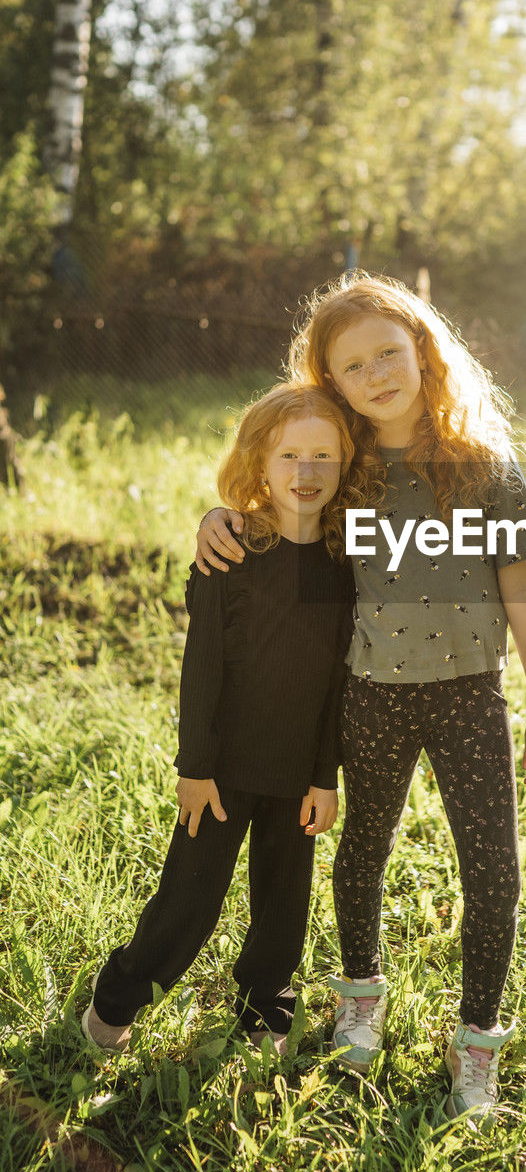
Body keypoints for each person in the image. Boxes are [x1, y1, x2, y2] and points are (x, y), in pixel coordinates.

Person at [196, 272, 526, 1122]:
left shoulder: (481, 465)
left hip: (471, 694)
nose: (377, 374)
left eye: (389, 352)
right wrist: (217, 519)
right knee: (364, 847)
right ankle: (359, 995)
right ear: (332, 382)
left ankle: (477, 1039)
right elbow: (269, 505)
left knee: (493, 871)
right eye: (353, 366)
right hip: (371, 696)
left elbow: (521, 587)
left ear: (424, 352)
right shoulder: (343, 468)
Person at [82, 384, 356, 1057]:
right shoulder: (230, 553)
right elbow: (200, 671)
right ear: (259, 463)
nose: (306, 471)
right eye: (290, 454)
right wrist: (195, 768)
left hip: (297, 775)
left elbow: (337, 687)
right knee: (188, 902)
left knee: (283, 907)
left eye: (324, 455)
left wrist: (326, 777)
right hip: (223, 771)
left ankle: (265, 1005)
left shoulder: (346, 563)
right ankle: (117, 998)